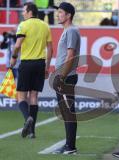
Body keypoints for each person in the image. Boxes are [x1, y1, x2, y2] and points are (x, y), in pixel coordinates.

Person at [10, 2, 53, 138]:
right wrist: (47, 67)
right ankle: (32, 131)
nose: (22, 13)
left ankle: (28, 118)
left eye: (24, 11)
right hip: (40, 64)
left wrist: (14, 58)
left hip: (27, 63)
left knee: (21, 96)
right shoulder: (45, 26)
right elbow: (50, 49)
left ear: (30, 12)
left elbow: (17, 45)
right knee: (34, 96)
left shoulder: (24, 25)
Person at [52, 2, 80, 154]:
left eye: (61, 12)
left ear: (68, 15)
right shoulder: (68, 30)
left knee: (68, 111)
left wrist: (61, 76)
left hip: (66, 77)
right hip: (65, 76)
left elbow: (71, 56)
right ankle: (69, 145)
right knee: (66, 111)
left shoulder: (71, 31)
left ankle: (70, 146)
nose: (58, 14)